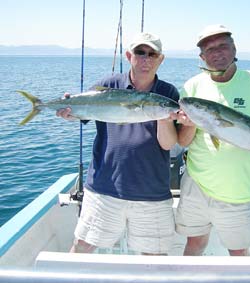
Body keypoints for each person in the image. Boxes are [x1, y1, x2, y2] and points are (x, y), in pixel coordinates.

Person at [175, 24, 250, 256]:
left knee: (239, 252)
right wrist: (190, 124)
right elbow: (183, 141)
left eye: (223, 45)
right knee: (194, 243)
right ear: (202, 57)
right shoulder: (191, 87)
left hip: (241, 189)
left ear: (234, 48)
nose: (217, 52)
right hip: (197, 185)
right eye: (209, 49)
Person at [56, 32, 179, 255]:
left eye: (153, 54)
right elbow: (81, 112)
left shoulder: (167, 93)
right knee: (83, 246)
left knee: (155, 257)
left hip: (151, 192)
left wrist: (163, 115)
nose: (146, 59)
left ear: (161, 59)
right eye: (140, 53)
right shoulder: (109, 84)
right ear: (129, 55)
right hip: (104, 187)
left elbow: (168, 144)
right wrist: (69, 110)